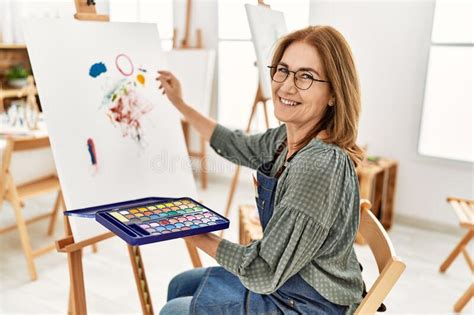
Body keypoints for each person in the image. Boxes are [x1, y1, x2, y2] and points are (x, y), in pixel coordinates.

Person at [156, 25, 365, 315]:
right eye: (283, 70)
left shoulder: (316, 166)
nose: (287, 86)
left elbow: (264, 269)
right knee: (180, 285)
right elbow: (234, 143)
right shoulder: (286, 139)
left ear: (334, 93)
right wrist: (180, 103)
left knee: (174, 311)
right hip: (288, 278)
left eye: (306, 76)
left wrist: (196, 235)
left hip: (310, 302)